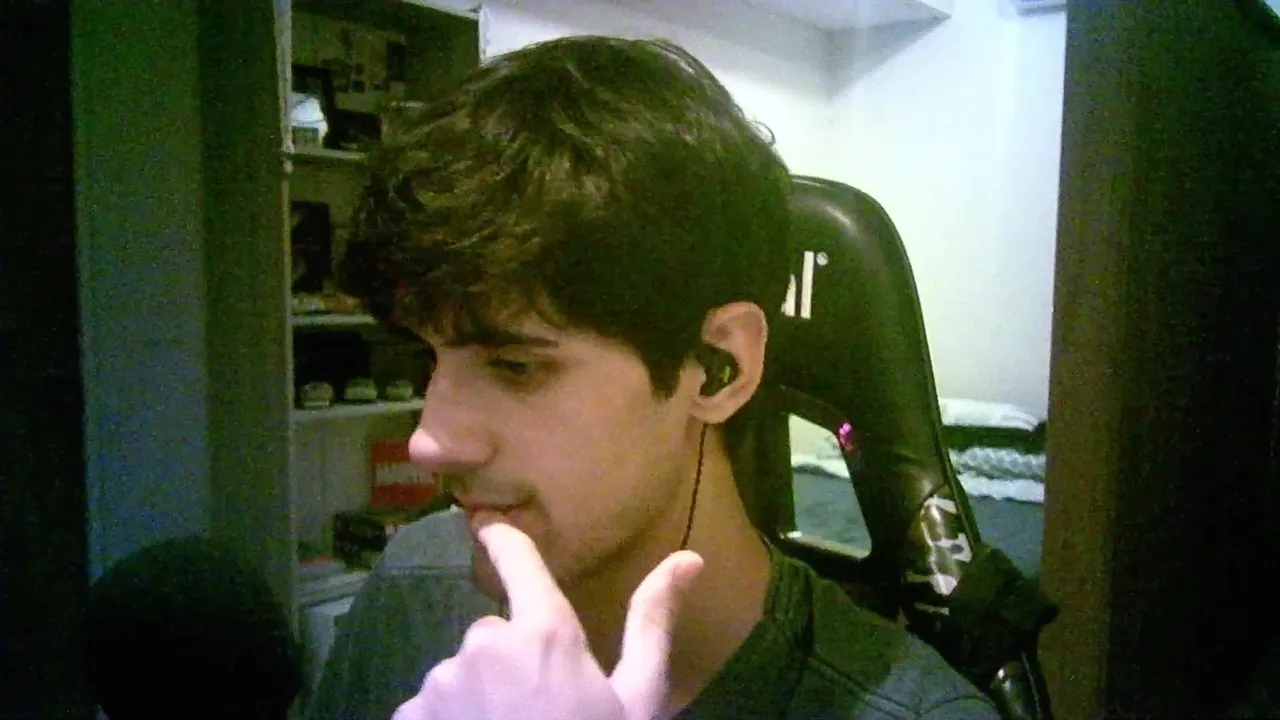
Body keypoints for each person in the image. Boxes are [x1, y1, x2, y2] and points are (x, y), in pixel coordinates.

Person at [307, 34, 1000, 720]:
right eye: (425, 358)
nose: (429, 441)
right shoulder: (412, 585)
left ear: (719, 369)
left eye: (516, 366)